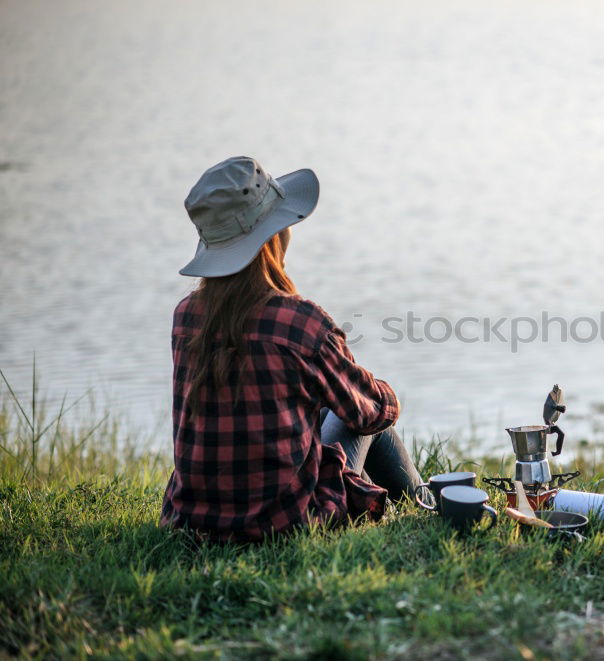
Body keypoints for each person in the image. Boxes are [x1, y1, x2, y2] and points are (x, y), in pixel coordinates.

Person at [161, 156, 421, 542]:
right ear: (273, 237)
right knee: (358, 413)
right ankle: (428, 502)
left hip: (194, 521)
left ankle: (419, 500)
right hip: (280, 521)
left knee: (328, 409)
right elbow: (369, 412)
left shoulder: (186, 317)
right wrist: (385, 392)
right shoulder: (300, 322)